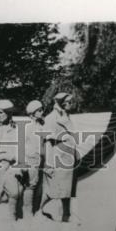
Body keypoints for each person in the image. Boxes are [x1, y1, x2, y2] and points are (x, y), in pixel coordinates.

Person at [41, 92, 77, 222]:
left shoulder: (67, 116)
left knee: (66, 189)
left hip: (67, 157)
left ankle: (66, 214)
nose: (71, 104)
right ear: (62, 103)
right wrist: (49, 163)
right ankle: (39, 210)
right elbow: (48, 142)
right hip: (57, 157)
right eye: (69, 102)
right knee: (53, 189)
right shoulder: (51, 118)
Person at [24, 99, 47, 216]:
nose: (42, 111)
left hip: (41, 160)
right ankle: (28, 213)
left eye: (42, 109)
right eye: (39, 110)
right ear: (33, 113)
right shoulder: (28, 127)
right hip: (31, 160)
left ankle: (36, 212)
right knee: (31, 185)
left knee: (39, 186)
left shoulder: (41, 126)